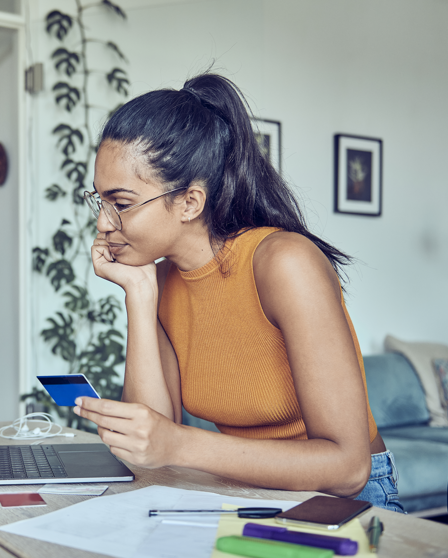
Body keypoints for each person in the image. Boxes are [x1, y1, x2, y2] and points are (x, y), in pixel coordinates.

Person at [73, 72, 404, 512]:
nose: (103, 223)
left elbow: (347, 468)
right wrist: (138, 291)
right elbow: (153, 451)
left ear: (190, 202)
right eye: (100, 200)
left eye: (123, 202)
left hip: (347, 502)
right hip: (248, 493)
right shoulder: (163, 280)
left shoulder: (284, 263)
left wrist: (179, 445)